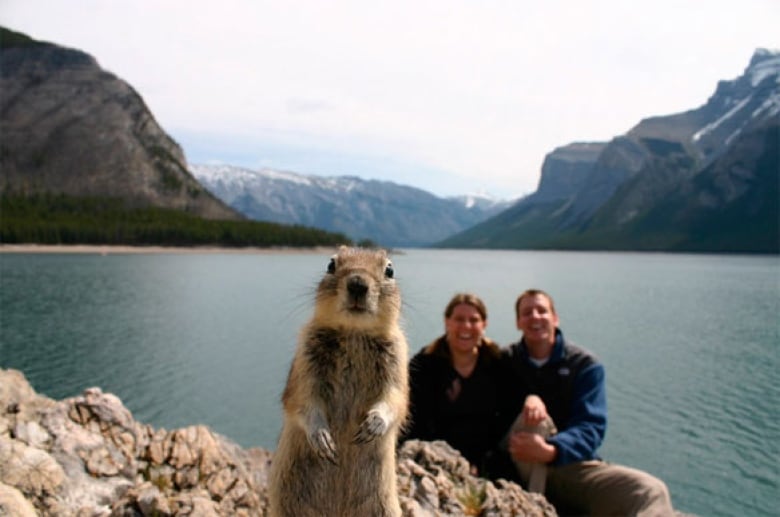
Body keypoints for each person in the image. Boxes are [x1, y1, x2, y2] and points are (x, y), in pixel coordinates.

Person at [503, 288, 675, 516]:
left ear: (555, 318)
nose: (535, 316)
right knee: (535, 422)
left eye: (542, 311)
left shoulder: (584, 365)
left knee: (650, 491)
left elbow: (591, 427)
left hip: (568, 467)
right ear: (518, 323)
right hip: (517, 461)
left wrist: (551, 450)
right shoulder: (504, 360)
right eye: (527, 313)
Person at [401, 293, 510, 476]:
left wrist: (533, 399)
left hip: (487, 460)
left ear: (484, 325)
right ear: (447, 322)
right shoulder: (425, 365)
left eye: (474, 320)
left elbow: (512, 409)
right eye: (459, 319)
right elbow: (413, 421)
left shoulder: (498, 362)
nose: (466, 326)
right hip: (436, 460)